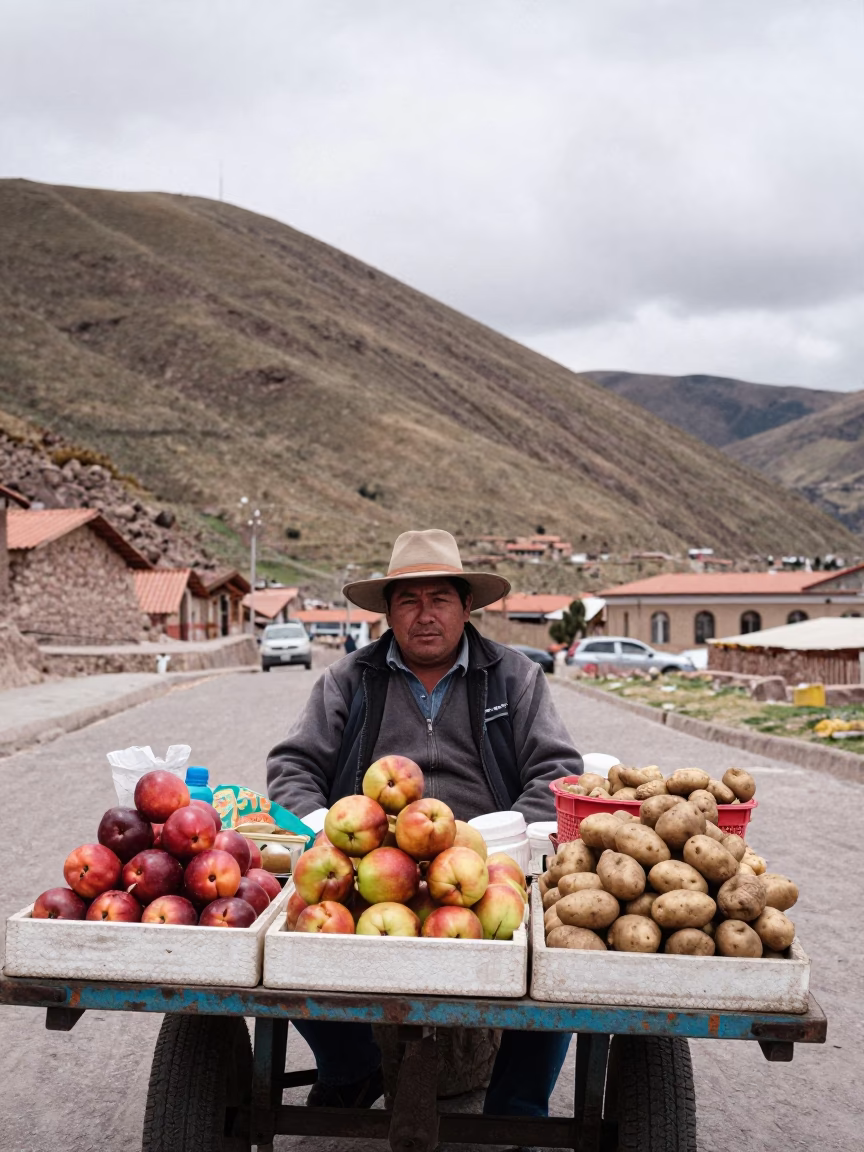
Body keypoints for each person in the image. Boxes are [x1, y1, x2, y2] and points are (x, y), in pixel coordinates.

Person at [267, 528, 583, 1118]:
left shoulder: (515, 678)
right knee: (290, 935)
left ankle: (515, 1107)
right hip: (365, 869)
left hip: (489, 864)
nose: (425, 615)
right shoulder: (349, 681)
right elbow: (293, 765)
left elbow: (559, 772)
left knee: (557, 948)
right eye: (408, 600)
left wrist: (501, 834)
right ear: (387, 612)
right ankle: (351, 1064)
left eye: (440, 598)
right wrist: (322, 834)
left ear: (467, 607)